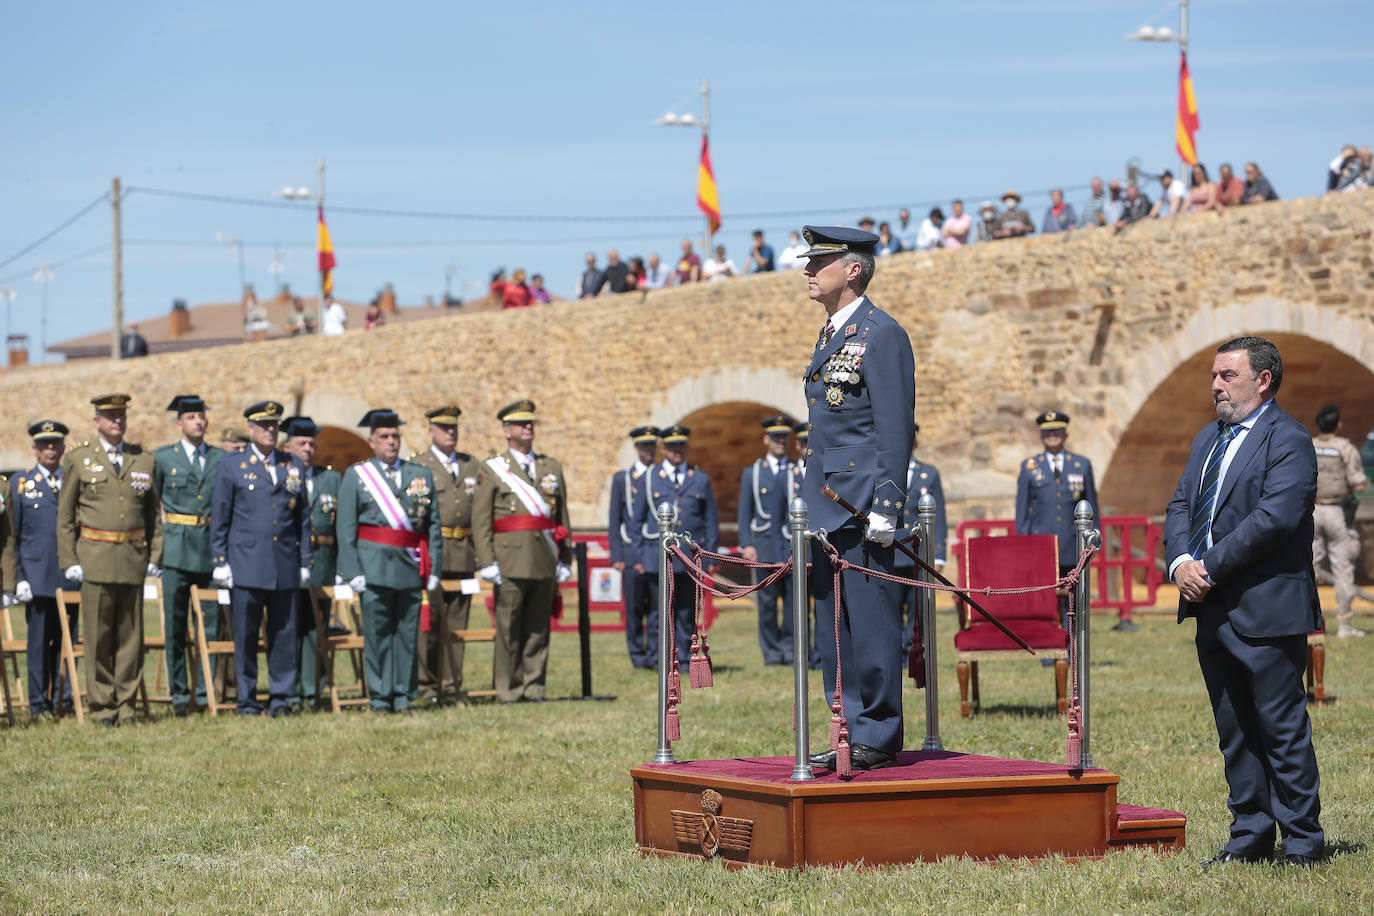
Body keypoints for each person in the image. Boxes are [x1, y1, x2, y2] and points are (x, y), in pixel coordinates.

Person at [1164, 336, 1325, 869]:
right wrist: (1180, 564)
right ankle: (1250, 836)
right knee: (1233, 730)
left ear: (1263, 380)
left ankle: (1302, 842)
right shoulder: (1207, 438)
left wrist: (1207, 566)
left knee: (1281, 729)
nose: (1215, 386)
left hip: (1268, 607)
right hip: (1211, 609)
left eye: (1227, 376)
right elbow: (1183, 504)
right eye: (1214, 375)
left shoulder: (1290, 440)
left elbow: (1275, 519)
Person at [798, 225, 915, 772]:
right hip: (827, 504)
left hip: (863, 505)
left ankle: (878, 733)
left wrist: (888, 505)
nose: (806, 269)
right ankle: (846, 727)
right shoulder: (831, 333)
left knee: (871, 624)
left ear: (852, 270)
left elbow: (894, 427)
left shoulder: (881, 332)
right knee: (835, 628)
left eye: (818, 260)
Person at [56, 393, 164, 727]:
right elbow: (65, 517)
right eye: (110, 416)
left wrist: (154, 555)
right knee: (99, 638)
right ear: (97, 421)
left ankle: (127, 706)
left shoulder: (144, 460)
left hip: (132, 559)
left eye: (121, 415)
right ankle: (102, 707)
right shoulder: (79, 459)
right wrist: (69, 558)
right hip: (95, 559)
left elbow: (154, 516)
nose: (117, 421)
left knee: (132, 638)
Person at [210, 400, 311, 717]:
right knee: (246, 634)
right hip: (246, 562)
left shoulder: (292, 463)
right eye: (263, 425)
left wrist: (305, 560)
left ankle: (281, 697)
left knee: (283, 633)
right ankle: (248, 698)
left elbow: (303, 518)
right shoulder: (232, 464)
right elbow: (221, 514)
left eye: (274, 425)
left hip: (284, 563)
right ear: (251, 429)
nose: (270, 430)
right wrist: (220, 560)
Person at [336, 409, 441, 714]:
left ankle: (403, 695)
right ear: (372, 441)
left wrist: (434, 568)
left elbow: (432, 525)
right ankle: (381, 697)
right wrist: (352, 570)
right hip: (373, 567)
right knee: (379, 635)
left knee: (407, 636)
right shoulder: (357, 475)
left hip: (410, 566)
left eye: (395, 436)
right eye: (384, 437)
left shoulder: (420, 474)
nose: (391, 442)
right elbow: (346, 528)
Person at [473, 400, 572, 703]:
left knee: (538, 628)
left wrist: (565, 558)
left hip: (544, 557)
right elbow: (482, 519)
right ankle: (509, 689)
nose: (528, 428)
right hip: (509, 559)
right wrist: (487, 560)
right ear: (506, 431)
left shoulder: (550, 467)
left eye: (530, 423)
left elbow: (562, 517)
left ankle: (534, 686)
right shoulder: (492, 468)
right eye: (520, 424)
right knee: (508, 629)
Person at [153, 395, 224, 716]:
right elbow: (151, 506)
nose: (199, 421)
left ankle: (207, 689)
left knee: (211, 625)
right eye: (192, 417)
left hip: (210, 550)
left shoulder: (222, 459)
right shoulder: (163, 459)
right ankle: (180, 695)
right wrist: (155, 552)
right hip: (176, 550)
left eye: (202, 416)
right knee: (175, 626)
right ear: (179, 423)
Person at [409, 404, 481, 704]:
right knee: (430, 623)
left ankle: (452, 685)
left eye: (454, 428)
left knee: (457, 625)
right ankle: (427, 687)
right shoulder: (419, 465)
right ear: (431, 431)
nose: (450, 433)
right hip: (434, 555)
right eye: (444, 428)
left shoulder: (471, 465)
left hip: (464, 553)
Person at [1014, 411, 1111, 630]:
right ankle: (1049, 648)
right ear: (1041, 436)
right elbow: (1022, 511)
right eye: (1048, 432)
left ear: (1065, 434)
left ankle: (1069, 648)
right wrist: (1023, 543)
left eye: (1057, 431)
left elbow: (1091, 504)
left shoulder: (1081, 465)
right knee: (1045, 597)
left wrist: (1094, 539)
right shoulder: (1030, 467)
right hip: (1041, 545)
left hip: (1071, 543)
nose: (1052, 436)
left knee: (1072, 599)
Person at [632, 424, 719, 667]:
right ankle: (658, 657)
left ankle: (682, 656)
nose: (677, 450)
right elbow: (636, 520)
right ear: (663, 449)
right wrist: (638, 557)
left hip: (690, 558)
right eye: (672, 446)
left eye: (681, 444)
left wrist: (709, 558)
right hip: (657, 557)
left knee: (686, 611)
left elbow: (710, 521)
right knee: (659, 611)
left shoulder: (699, 478)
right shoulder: (650, 479)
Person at [10, 420, 73, 720]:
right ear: (35, 448)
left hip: (67, 576)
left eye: (55, 443)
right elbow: (14, 534)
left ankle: (65, 698)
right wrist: (19, 577)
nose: (51, 449)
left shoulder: (73, 480)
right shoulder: (21, 483)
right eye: (45, 444)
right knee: (38, 643)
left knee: (67, 640)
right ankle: (38, 703)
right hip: (35, 576)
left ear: (63, 447)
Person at [280, 415, 342, 709]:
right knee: (289, 626)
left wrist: (342, 570)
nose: (307, 448)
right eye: (301, 443)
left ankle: (314, 690)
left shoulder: (330, 478)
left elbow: (341, 526)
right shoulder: (281, 474)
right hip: (288, 560)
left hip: (323, 562)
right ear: (287, 446)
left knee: (317, 628)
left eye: (311, 443)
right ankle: (290, 691)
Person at [737, 415, 796, 666]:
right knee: (767, 602)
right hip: (764, 545)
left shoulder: (797, 470)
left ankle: (792, 650)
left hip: (791, 545)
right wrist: (747, 544)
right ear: (766, 440)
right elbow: (744, 512)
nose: (780, 441)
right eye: (776, 437)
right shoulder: (753, 473)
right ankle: (771, 652)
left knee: (795, 602)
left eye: (784, 437)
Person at [1310, 404, 1367, 638]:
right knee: (1343, 569)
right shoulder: (1345, 448)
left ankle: (1309, 623)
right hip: (1337, 514)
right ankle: (1345, 624)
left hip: (1312, 512)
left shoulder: (1308, 445)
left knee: (1309, 568)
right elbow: (1359, 484)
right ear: (1339, 425)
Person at [607, 425, 660, 669]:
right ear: (636, 448)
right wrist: (616, 555)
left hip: (657, 552)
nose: (648, 450)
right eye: (643, 445)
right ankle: (638, 657)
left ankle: (656, 655)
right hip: (630, 552)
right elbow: (615, 519)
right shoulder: (623, 479)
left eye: (652, 445)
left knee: (657, 609)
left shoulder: (662, 477)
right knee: (634, 609)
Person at [894, 423, 947, 651]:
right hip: (892, 550)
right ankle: (894, 653)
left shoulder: (928, 473)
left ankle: (913, 652)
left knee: (918, 610)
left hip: (919, 552)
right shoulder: (883, 471)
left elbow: (940, 515)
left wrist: (940, 554)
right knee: (891, 609)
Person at [790, 419, 820, 670]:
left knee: (822, 605)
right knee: (798, 607)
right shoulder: (789, 475)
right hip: (797, 551)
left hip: (820, 548)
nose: (805, 446)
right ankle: (800, 653)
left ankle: (821, 655)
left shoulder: (822, 472)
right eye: (802, 442)